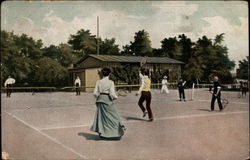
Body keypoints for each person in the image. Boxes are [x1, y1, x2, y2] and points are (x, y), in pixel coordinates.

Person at [91, 67, 125, 139]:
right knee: (114, 116)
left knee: (102, 117)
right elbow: (112, 94)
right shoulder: (110, 82)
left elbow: (94, 93)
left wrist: (100, 96)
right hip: (107, 99)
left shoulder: (98, 82)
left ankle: (102, 132)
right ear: (109, 74)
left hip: (100, 99)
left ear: (102, 74)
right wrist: (117, 96)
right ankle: (116, 132)